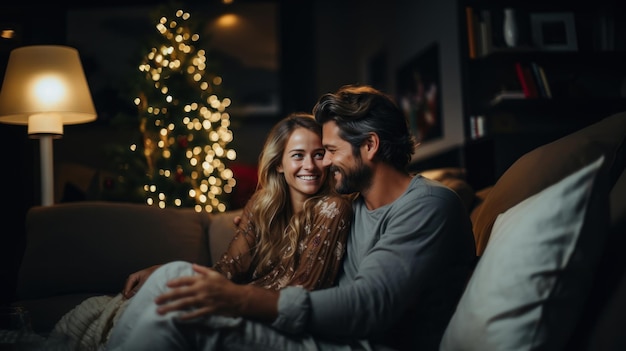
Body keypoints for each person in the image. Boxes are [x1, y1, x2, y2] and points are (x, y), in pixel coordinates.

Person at [105, 84, 476, 351]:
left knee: (184, 314)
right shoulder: (354, 202)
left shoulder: (428, 205)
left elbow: (369, 307)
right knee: (174, 277)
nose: (323, 161)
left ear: (370, 145)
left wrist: (237, 300)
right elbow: (290, 228)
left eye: (329, 151)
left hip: (363, 344)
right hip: (330, 335)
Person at [49, 113, 352, 350]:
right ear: (279, 165)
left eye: (319, 154)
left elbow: (303, 291)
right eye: (298, 155)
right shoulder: (263, 205)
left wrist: (230, 298)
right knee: (173, 273)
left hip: (265, 316)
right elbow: (226, 270)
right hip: (238, 300)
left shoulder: (332, 208)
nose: (310, 165)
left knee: (177, 283)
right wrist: (161, 271)